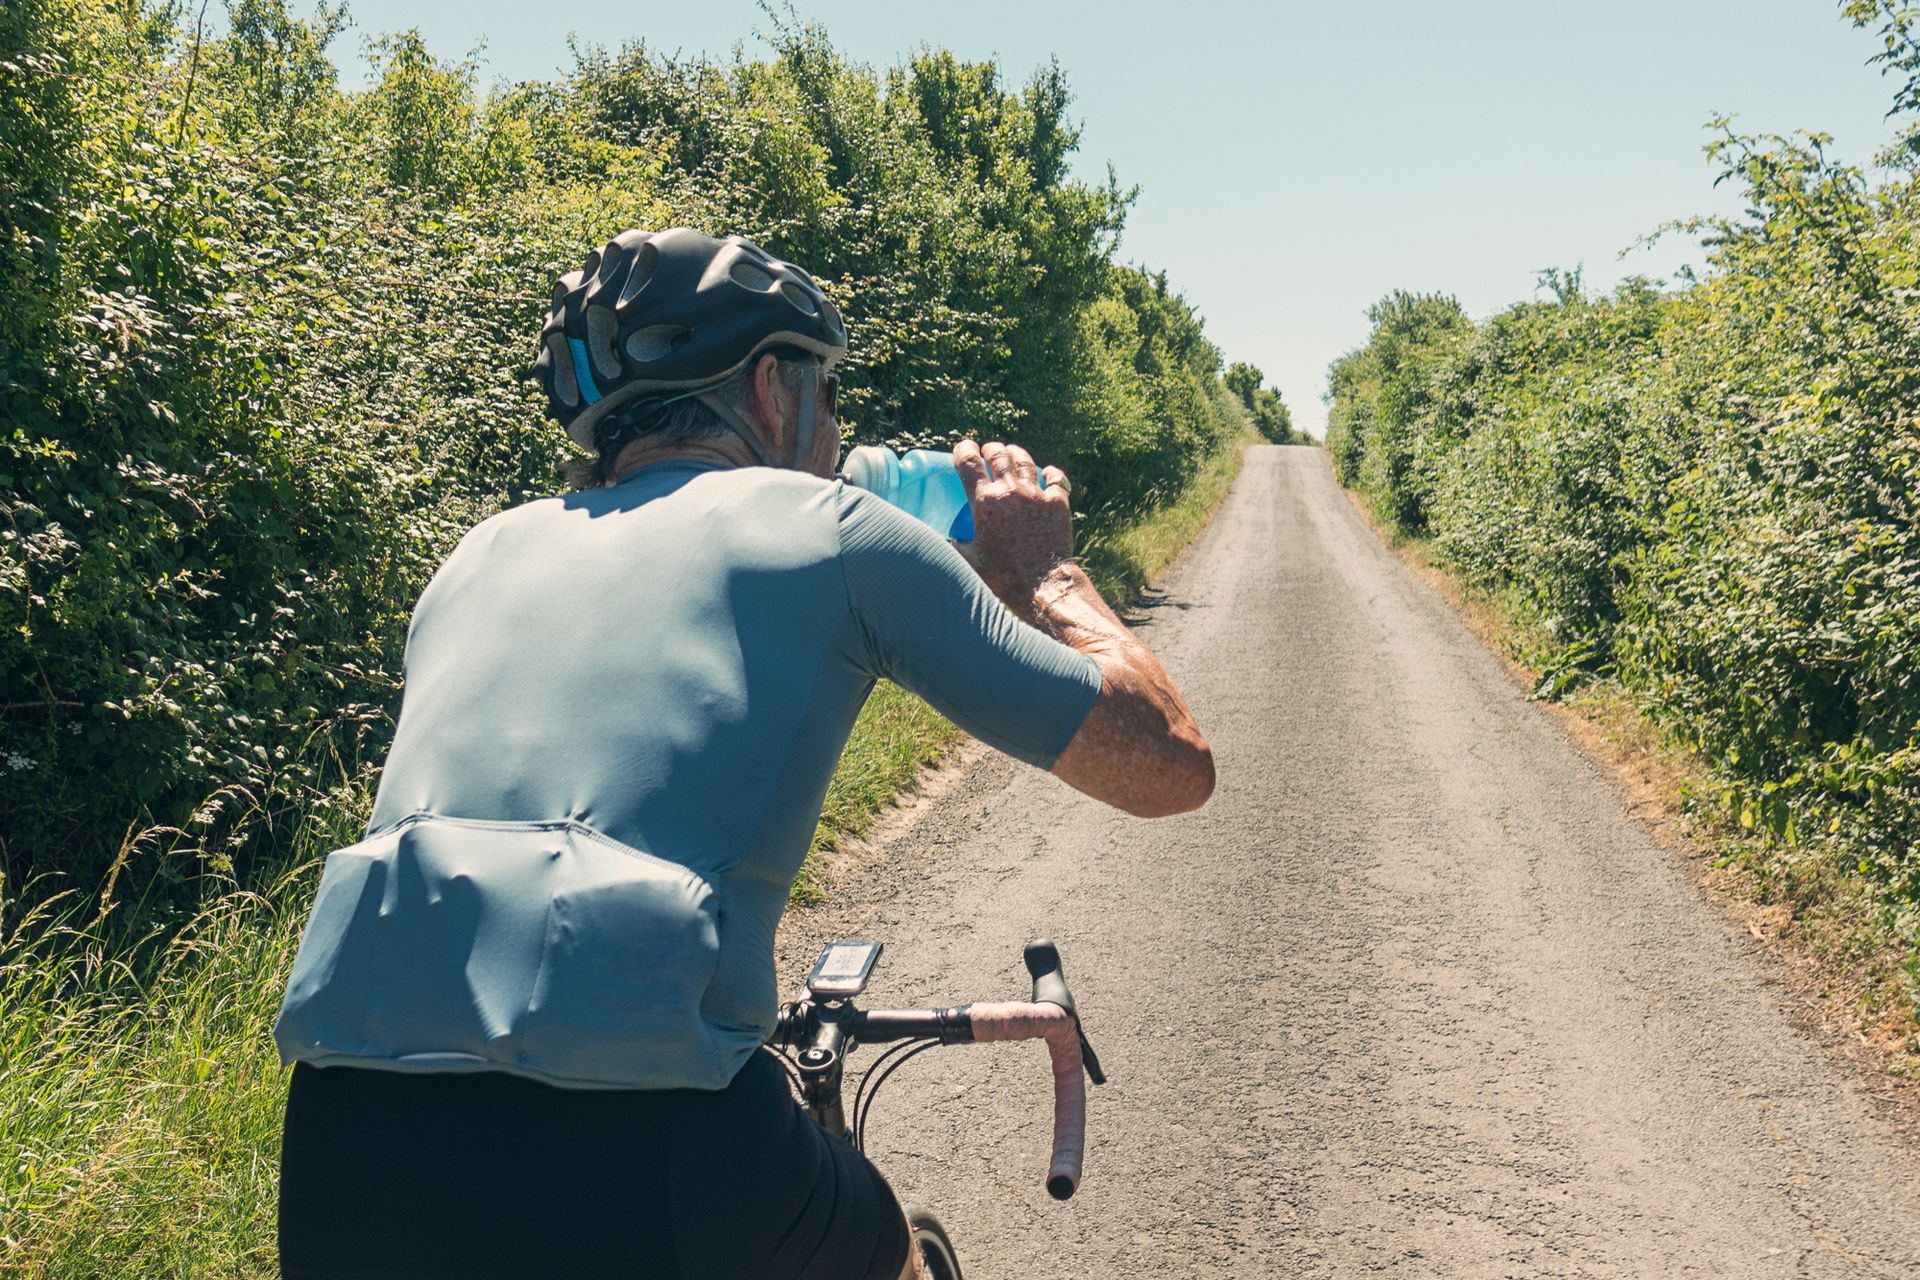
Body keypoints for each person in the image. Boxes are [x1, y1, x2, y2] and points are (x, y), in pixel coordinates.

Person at [271, 227, 1213, 1280]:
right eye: (830, 397)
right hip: (660, 1152)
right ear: (774, 388)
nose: (838, 434)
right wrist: (1049, 575)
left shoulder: (479, 553)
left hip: (344, 1150)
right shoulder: (839, 531)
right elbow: (1169, 762)